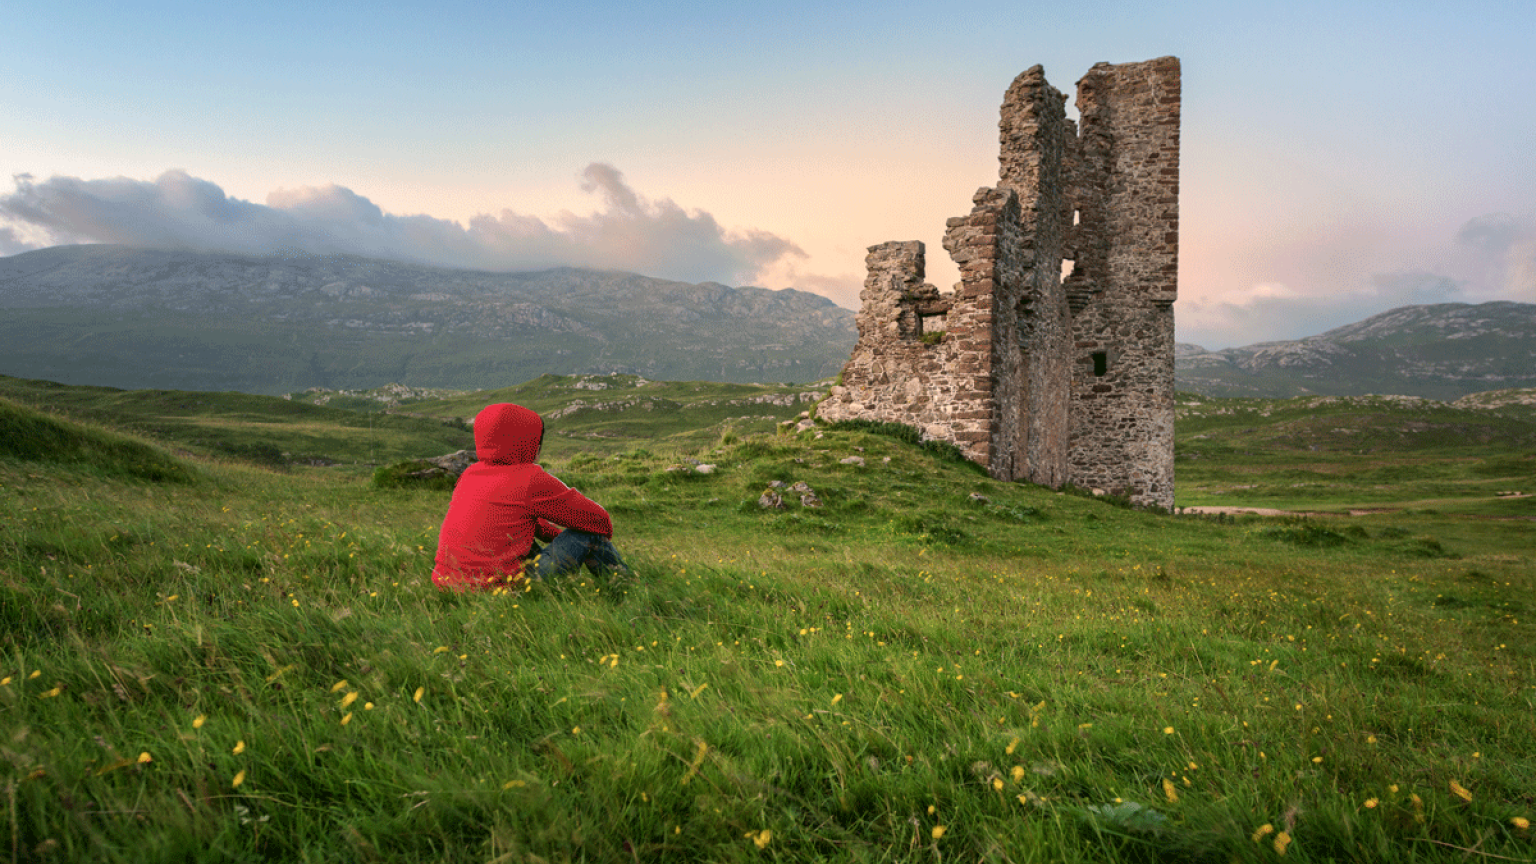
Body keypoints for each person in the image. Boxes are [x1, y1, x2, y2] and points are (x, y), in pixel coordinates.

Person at [432, 403, 629, 591]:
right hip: (501, 588)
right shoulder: (529, 478)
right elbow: (597, 520)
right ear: (525, 441)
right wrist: (586, 544)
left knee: (523, 538)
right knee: (589, 532)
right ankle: (625, 586)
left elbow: (525, 525)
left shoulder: (470, 474)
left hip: (448, 584)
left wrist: (560, 540)